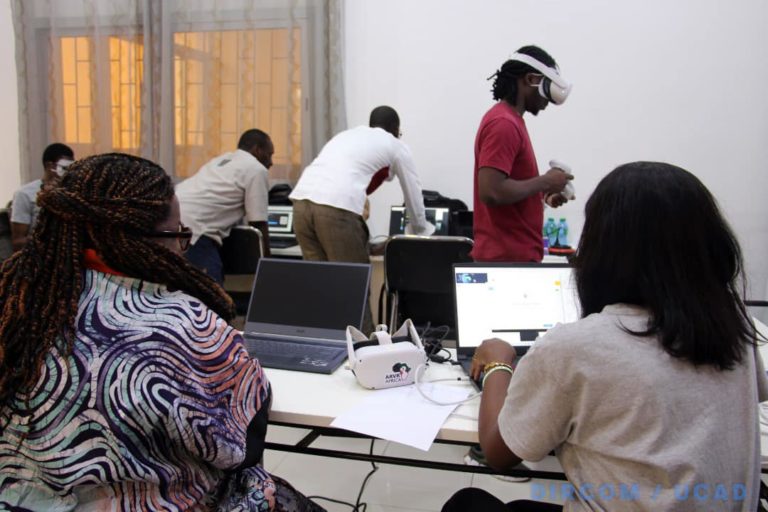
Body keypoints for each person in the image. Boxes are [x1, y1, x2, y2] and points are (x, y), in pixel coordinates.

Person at [0, 153, 322, 511]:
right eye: (178, 235)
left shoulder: (15, 299)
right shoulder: (184, 323)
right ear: (140, 241)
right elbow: (242, 445)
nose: (182, 249)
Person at [443, 162, 768, 512]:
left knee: (467, 503)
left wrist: (497, 363)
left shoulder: (574, 348)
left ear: (601, 247)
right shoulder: (733, 329)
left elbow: (497, 453)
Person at [289, 106, 434, 332]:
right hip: (335, 208)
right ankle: (364, 353)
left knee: (320, 287)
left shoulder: (347, 136)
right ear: (396, 129)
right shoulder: (395, 144)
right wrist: (421, 231)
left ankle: (322, 347)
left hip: (300, 205)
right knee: (353, 288)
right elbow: (413, 193)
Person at [473, 45, 573, 262]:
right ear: (530, 79)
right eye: (547, 91)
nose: (548, 102)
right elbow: (491, 191)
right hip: (505, 262)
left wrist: (542, 198)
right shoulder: (504, 124)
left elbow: (505, 189)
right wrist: (546, 181)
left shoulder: (511, 121)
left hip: (510, 260)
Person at [177, 129, 275, 284]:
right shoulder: (256, 169)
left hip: (171, 220)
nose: (271, 162)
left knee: (180, 287)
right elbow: (258, 223)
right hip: (197, 230)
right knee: (212, 293)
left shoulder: (221, 160)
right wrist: (269, 266)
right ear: (257, 150)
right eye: (269, 155)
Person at [10, 142, 74, 251]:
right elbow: (18, 241)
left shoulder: (72, 193)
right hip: (38, 256)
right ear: (50, 166)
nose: (69, 173)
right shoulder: (25, 194)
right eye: (65, 168)